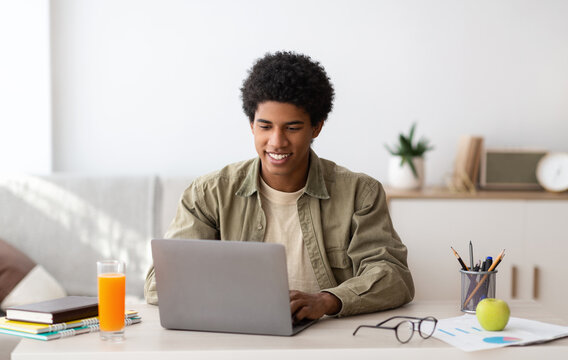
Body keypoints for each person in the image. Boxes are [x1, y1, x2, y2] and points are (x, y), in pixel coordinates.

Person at [145, 51, 414, 320]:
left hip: (330, 336)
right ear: (252, 125)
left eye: (292, 128)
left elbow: (394, 276)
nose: (277, 142)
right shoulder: (209, 193)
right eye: (265, 126)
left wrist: (326, 301)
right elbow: (159, 284)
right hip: (237, 333)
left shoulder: (360, 193)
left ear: (316, 127)